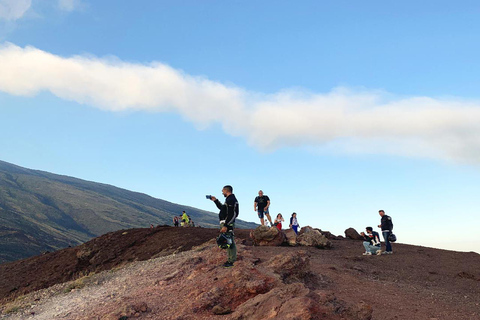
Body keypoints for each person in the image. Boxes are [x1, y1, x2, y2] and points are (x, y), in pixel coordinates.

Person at [210, 185, 239, 268]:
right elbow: (222, 209)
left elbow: (233, 213)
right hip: (226, 222)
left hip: (227, 223)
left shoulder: (231, 200)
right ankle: (230, 260)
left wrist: (226, 225)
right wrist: (215, 201)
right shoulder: (229, 200)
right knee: (227, 240)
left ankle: (232, 261)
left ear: (226, 191)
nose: (222, 192)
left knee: (230, 241)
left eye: (223, 190)